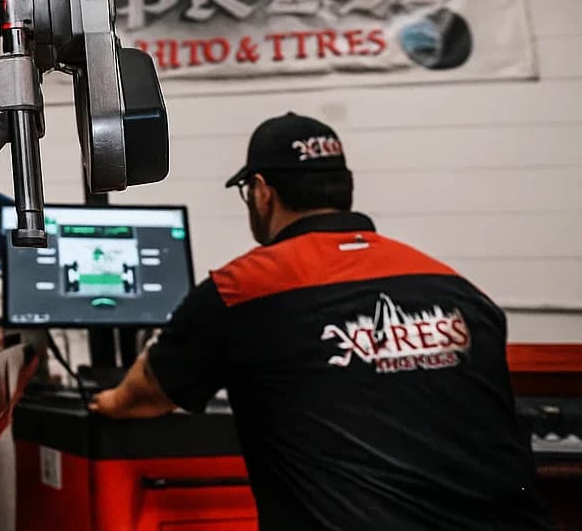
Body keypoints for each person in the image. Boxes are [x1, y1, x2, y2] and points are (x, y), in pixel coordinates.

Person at [90, 112, 552, 530]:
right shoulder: (458, 289)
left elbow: (145, 397)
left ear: (262, 192)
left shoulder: (241, 290)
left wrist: (107, 400)